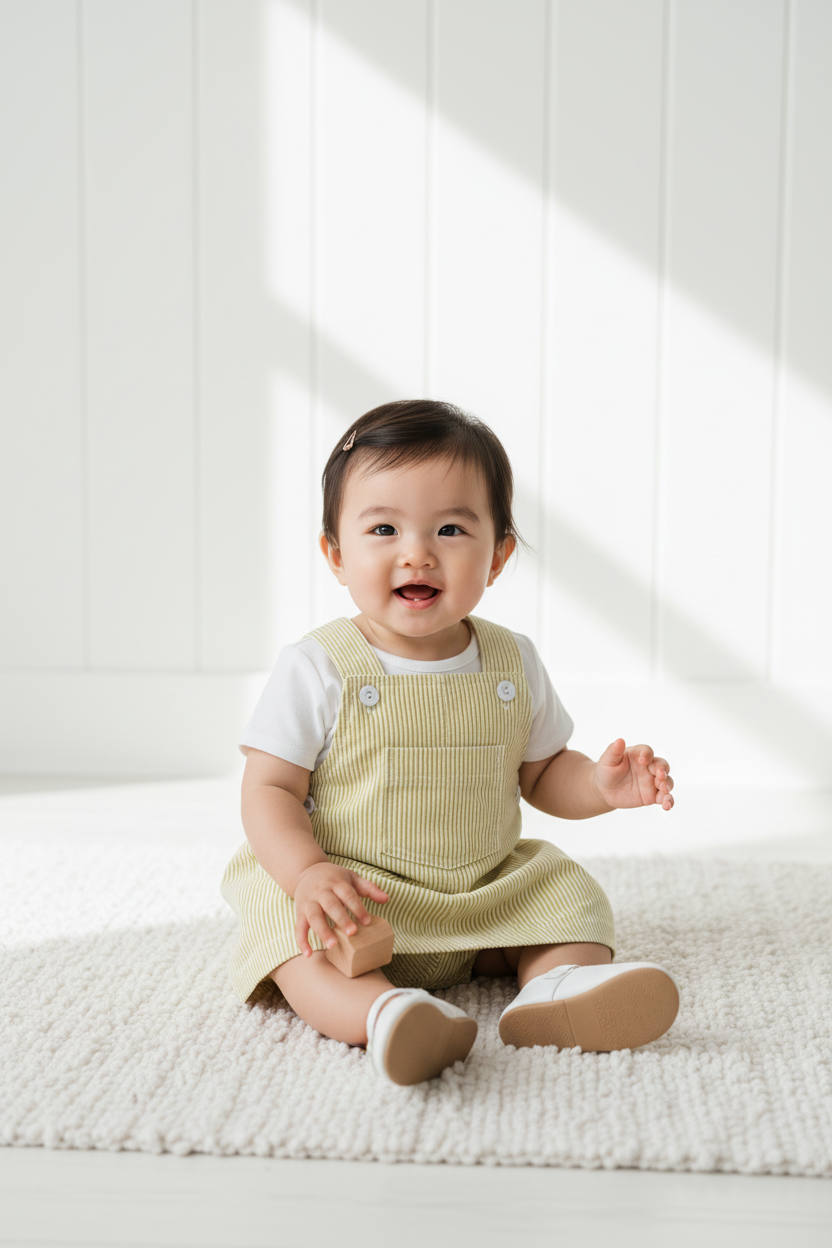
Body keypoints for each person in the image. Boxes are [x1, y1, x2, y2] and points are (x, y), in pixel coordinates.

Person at [221, 400, 679, 1086]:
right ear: (336, 556)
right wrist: (306, 872)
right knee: (292, 937)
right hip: (354, 896)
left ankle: (553, 994)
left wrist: (599, 787)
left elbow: (543, 771)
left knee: (570, 897)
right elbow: (268, 789)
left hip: (479, 892)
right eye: (384, 528)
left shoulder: (510, 662)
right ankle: (386, 1013)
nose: (418, 551)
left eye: (450, 529)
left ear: (497, 557)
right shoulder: (319, 666)